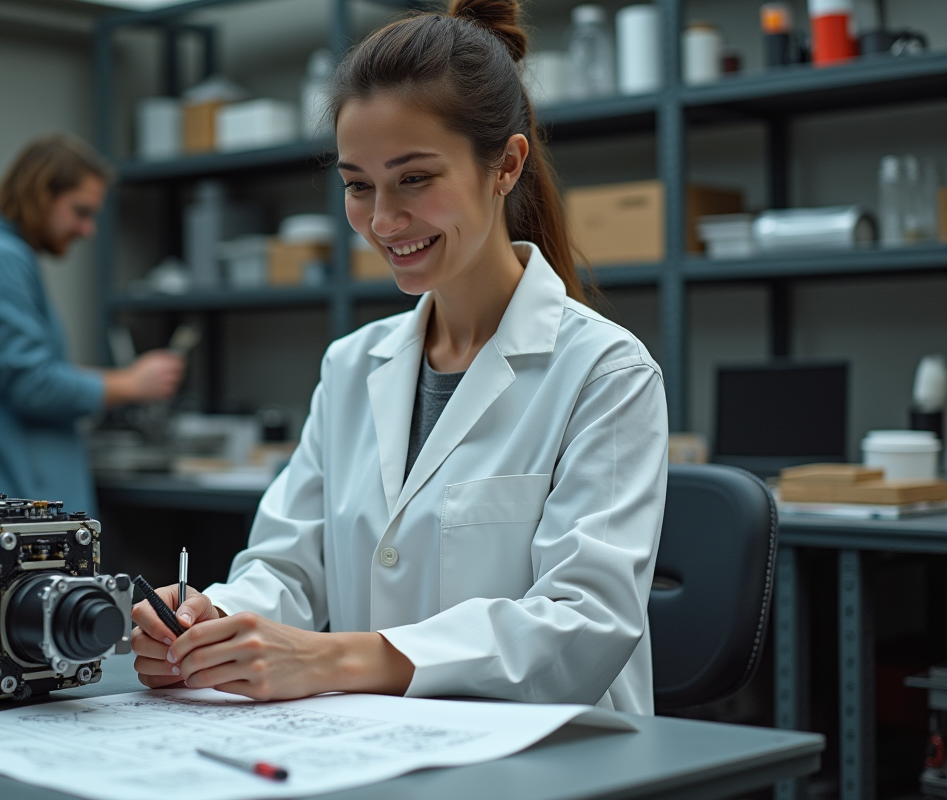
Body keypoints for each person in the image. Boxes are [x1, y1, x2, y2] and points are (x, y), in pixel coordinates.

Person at [131, 0, 668, 712]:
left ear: (505, 165)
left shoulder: (605, 372)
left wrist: (329, 657)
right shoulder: (353, 365)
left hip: (549, 761)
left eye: (414, 178)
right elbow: (288, 566)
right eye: (358, 185)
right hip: (380, 751)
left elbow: (582, 625)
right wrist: (214, 623)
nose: (382, 221)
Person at [0, 133, 184, 513]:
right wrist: (129, 384)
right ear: (41, 194)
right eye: (80, 212)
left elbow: (24, 369)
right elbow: (31, 384)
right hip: (15, 510)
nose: (88, 230)